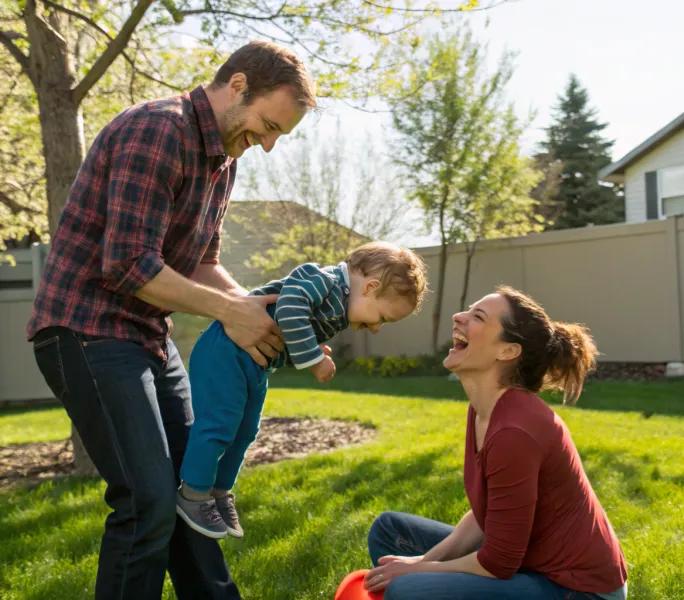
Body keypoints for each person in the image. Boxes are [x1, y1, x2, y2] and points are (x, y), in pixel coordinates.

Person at [26, 40, 315, 600]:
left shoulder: (223, 159)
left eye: (282, 133)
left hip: (144, 336)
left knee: (192, 491)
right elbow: (129, 264)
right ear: (236, 86)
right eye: (269, 125)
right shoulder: (159, 130)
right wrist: (231, 312)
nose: (271, 145)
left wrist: (256, 308)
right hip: (84, 328)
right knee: (146, 499)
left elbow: (199, 262)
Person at [364, 286, 628, 600]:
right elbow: (485, 515)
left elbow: (498, 563)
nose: (458, 317)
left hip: (576, 589)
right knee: (389, 531)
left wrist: (417, 571)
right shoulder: (483, 409)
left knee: (406, 590)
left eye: (477, 317)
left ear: (507, 351)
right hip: (529, 562)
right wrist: (422, 560)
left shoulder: (515, 431)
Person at [177, 242, 428, 539]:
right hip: (225, 350)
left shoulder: (339, 303)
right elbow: (290, 306)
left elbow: (288, 326)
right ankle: (193, 494)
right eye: (383, 318)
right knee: (219, 424)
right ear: (370, 287)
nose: (376, 328)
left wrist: (308, 344)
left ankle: (219, 492)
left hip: (254, 362)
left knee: (245, 431)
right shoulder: (324, 280)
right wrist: (314, 359)